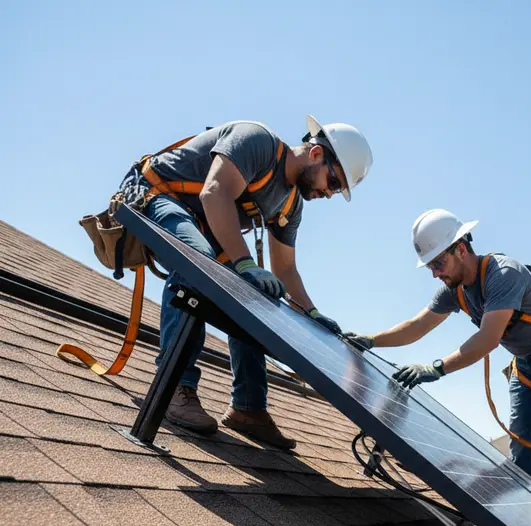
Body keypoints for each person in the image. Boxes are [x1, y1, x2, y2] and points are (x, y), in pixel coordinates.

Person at [345, 209, 531, 526]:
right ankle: (526, 507)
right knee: (521, 434)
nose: (435, 274)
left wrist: (435, 368)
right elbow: (417, 326)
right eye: (430, 267)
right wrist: (372, 340)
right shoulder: (454, 289)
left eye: (438, 263)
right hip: (526, 361)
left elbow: (487, 339)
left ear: (461, 249)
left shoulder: (503, 273)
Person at [118, 116, 373, 448]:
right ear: (316, 154)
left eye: (338, 190)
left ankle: (248, 408)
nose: (330, 193)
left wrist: (312, 314)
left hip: (203, 225)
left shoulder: (291, 204)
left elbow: (286, 269)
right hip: (156, 193)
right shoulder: (257, 141)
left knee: (257, 295)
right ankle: (175, 386)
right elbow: (215, 193)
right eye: (334, 181)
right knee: (199, 263)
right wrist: (244, 264)